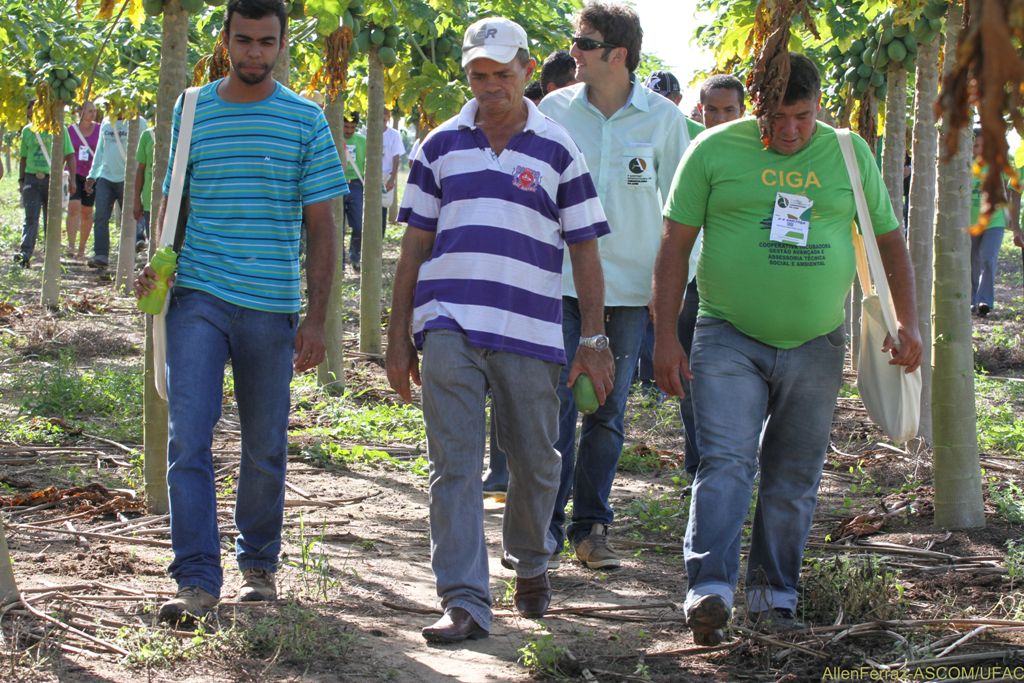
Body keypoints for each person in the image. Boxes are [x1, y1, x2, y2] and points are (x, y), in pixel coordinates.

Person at [652, 53, 921, 646]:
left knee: (794, 474)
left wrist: (910, 321)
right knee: (725, 462)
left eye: (802, 116)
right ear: (756, 106)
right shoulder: (714, 151)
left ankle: (775, 596)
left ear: (818, 106)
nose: (790, 130)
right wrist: (665, 334)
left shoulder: (848, 153)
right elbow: (673, 247)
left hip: (816, 341)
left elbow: (889, 240)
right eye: (777, 117)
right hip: (726, 333)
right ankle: (709, 590)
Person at [386, 16, 613, 644]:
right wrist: (397, 333)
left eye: (502, 76)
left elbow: (586, 250)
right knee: (452, 466)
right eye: (479, 77)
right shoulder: (439, 146)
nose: (490, 88)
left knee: (537, 461)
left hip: (530, 330)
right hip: (448, 324)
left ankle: (531, 559)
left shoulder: (559, 148)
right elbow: (413, 248)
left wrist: (593, 339)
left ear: (526, 71)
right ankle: (464, 599)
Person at [134, 0, 347, 625]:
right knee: (188, 439)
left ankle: (258, 564)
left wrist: (316, 318)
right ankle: (197, 579)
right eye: (244, 41)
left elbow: (324, 227)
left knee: (264, 446)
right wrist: (159, 263)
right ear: (224, 39)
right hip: (198, 296)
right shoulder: (192, 107)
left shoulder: (305, 119)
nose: (254, 53)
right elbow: (176, 198)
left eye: (267, 42)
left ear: (283, 45)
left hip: (271, 305)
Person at [538, 1, 689, 570]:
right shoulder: (554, 111)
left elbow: (684, 214)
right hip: (557, 283)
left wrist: (666, 291)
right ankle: (544, 528)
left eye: (583, 43)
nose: (572, 53)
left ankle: (590, 527)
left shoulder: (663, 120)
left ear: (617, 54)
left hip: (628, 292)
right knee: (552, 403)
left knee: (606, 409)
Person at [484, 52, 583, 498]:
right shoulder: (528, 124)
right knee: (525, 394)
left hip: (565, 286)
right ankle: (514, 486)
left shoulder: (555, 138)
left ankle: (542, 520)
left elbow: (584, 237)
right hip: (530, 287)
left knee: (543, 400)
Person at [674, 74, 746, 476]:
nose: (720, 119)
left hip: (739, 284)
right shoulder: (689, 153)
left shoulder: (759, 156)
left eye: (729, 110)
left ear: (743, 111)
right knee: (692, 377)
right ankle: (698, 466)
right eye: (712, 111)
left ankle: (735, 463)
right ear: (699, 112)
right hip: (691, 281)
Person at [16, 101, 75, 268]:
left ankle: (51, 256)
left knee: (52, 220)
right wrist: (21, 181)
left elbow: (70, 154)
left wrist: (73, 180)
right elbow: (23, 158)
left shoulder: (59, 129)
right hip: (32, 179)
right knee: (31, 218)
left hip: (52, 179)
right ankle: (25, 254)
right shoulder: (28, 131)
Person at [84, 105, 138, 269]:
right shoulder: (106, 124)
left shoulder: (137, 122)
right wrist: (92, 175)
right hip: (105, 177)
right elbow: (100, 150)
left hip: (127, 178)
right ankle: (101, 255)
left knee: (129, 218)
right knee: (100, 217)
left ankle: (130, 257)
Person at [969, 132, 1009, 317]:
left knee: (988, 258)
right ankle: (971, 300)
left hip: (994, 221)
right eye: (977, 146)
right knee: (972, 262)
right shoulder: (964, 167)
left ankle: (984, 300)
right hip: (971, 222)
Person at [67, 100, 100, 258]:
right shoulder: (71, 130)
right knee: (73, 208)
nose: (93, 114)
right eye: (90, 111)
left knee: (87, 213)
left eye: (94, 111)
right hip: (74, 174)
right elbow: (65, 152)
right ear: (81, 112)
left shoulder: (100, 129)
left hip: (91, 177)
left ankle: (81, 249)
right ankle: (71, 246)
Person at [342, 113, 366, 269]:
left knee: (358, 225)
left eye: (352, 127)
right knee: (337, 227)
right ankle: (340, 261)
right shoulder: (334, 139)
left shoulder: (362, 141)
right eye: (346, 126)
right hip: (338, 184)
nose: (349, 130)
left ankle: (355, 257)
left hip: (356, 185)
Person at [133, 125, 155, 253]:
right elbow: (140, 169)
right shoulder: (147, 135)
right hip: (149, 200)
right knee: (153, 242)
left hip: (173, 199)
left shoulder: (181, 131)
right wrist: (137, 200)